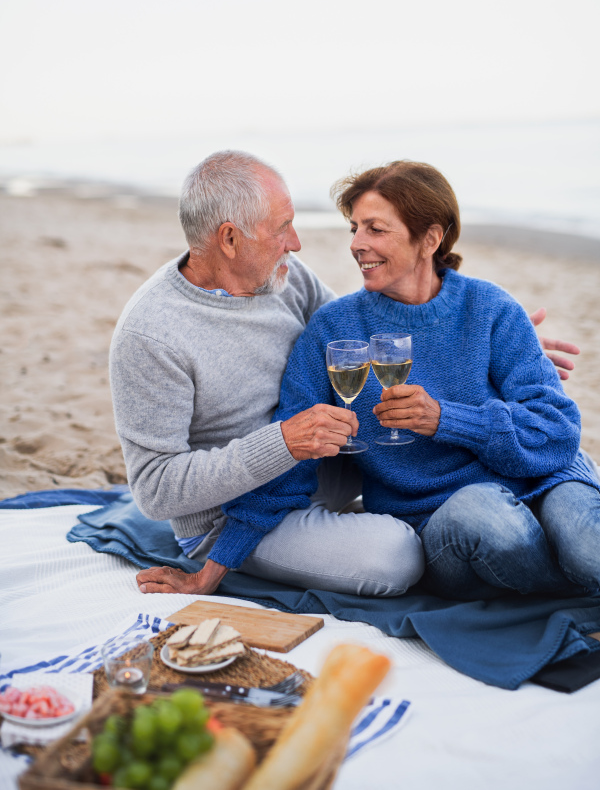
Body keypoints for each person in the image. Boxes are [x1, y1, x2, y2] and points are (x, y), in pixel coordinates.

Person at [136, 157, 596, 600]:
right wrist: (213, 570)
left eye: (376, 229)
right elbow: (293, 460)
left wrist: (447, 419)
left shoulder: (492, 309)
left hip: (546, 478)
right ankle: (568, 588)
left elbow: (558, 432)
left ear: (430, 238)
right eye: (354, 227)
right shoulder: (335, 331)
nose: (357, 242)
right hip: (441, 514)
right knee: (494, 523)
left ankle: (574, 574)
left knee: (587, 545)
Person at [111, 150, 425, 598]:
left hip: (319, 467)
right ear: (230, 239)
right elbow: (155, 490)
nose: (295, 243)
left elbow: (359, 331)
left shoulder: (284, 275)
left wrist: (471, 341)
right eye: (281, 229)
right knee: (395, 556)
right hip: (230, 518)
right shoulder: (152, 334)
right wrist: (282, 443)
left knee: (437, 444)